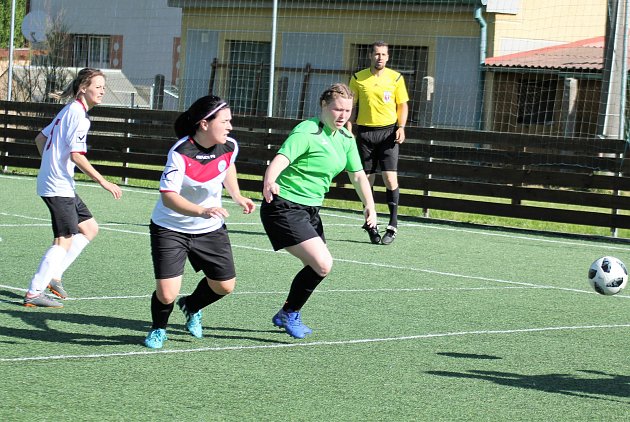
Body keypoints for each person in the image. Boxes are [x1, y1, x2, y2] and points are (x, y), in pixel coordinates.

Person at [260, 83, 377, 339]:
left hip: (310, 210)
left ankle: (286, 313)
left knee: (317, 267)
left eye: (348, 110)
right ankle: (289, 313)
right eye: (337, 109)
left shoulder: (346, 139)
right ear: (324, 106)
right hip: (284, 206)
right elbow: (281, 159)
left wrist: (370, 205)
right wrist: (270, 180)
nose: (343, 115)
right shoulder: (307, 131)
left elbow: (357, 175)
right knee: (323, 264)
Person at [144, 95, 256, 349]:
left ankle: (191, 305)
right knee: (167, 293)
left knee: (225, 286)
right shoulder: (180, 152)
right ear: (204, 123)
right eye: (225, 121)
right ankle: (158, 329)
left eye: (231, 121)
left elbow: (227, 166)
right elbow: (169, 198)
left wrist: (236, 195)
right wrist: (201, 211)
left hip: (209, 228)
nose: (230, 127)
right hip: (170, 227)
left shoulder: (229, 145)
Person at [24, 68, 123, 308]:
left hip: (60, 183)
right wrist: (103, 181)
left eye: (103, 86)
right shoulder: (78, 116)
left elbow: (40, 139)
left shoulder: (69, 110)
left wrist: (51, 165)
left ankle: (53, 277)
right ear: (83, 88)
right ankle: (34, 293)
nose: (102, 90)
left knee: (89, 228)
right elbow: (77, 156)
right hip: (58, 186)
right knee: (64, 240)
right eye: (97, 86)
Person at [349, 41, 409, 245]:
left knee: (390, 179)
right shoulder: (358, 78)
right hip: (365, 134)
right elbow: (351, 105)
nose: (380, 57)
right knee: (366, 181)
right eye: (376, 54)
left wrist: (401, 126)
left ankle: (392, 225)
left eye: (383, 54)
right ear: (370, 56)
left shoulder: (396, 78)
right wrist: (349, 129)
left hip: (388, 134)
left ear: (388, 57)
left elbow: (403, 105)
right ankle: (371, 224)